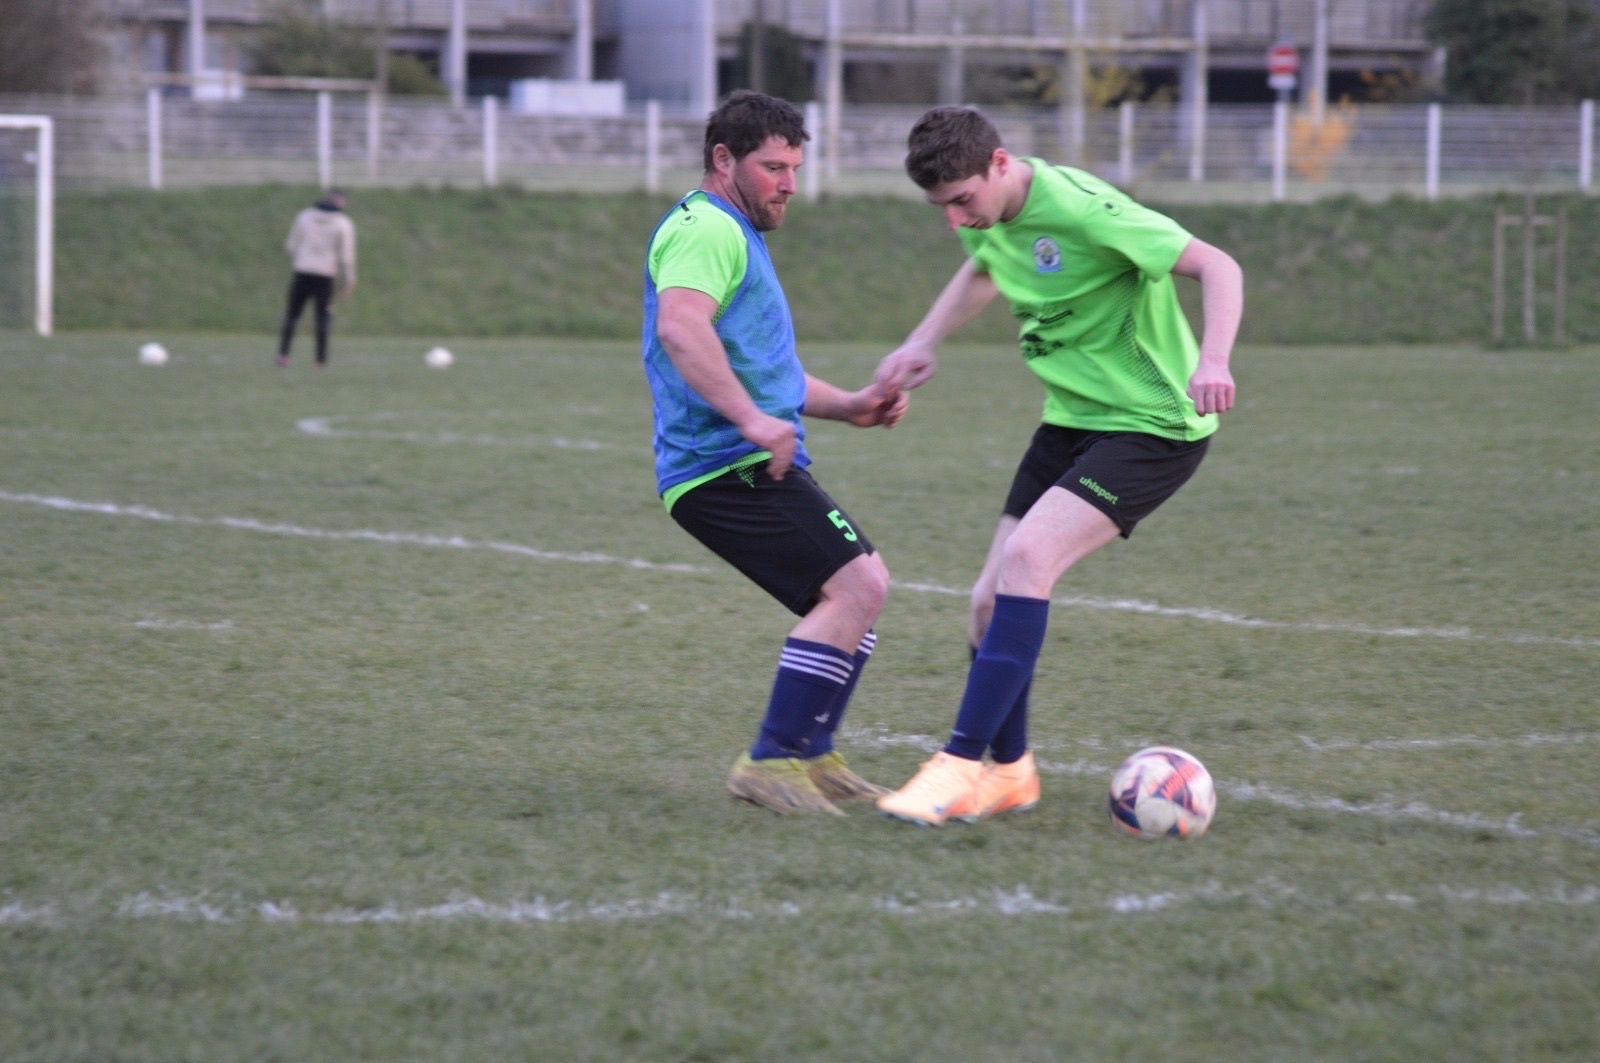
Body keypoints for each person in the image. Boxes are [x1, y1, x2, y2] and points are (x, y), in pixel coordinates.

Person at [873, 106, 1244, 827]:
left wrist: (1215, 358)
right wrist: (924, 339)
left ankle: (956, 765)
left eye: (962, 200)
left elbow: (1217, 265)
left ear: (1000, 164)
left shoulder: (1083, 210)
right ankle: (1011, 774)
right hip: (1070, 422)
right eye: (940, 206)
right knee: (987, 602)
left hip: (1150, 426)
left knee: (1028, 557)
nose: (955, 219)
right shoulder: (989, 214)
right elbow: (985, 265)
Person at [641, 90, 909, 816]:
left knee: (862, 587)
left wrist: (850, 405)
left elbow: (766, 374)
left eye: (795, 168)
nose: (789, 183)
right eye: (772, 167)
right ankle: (770, 759)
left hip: (738, 458)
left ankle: (812, 755)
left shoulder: (734, 232)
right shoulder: (707, 228)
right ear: (723, 159)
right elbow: (681, 328)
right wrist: (751, 421)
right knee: (858, 587)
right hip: (720, 464)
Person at [277, 189, 356, 368]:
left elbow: (291, 246)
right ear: (340, 202)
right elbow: (347, 257)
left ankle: (283, 356)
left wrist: (302, 259)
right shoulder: (343, 223)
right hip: (325, 275)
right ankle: (320, 361)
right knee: (323, 318)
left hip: (302, 271)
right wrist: (349, 282)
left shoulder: (304, 216)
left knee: (292, 314)